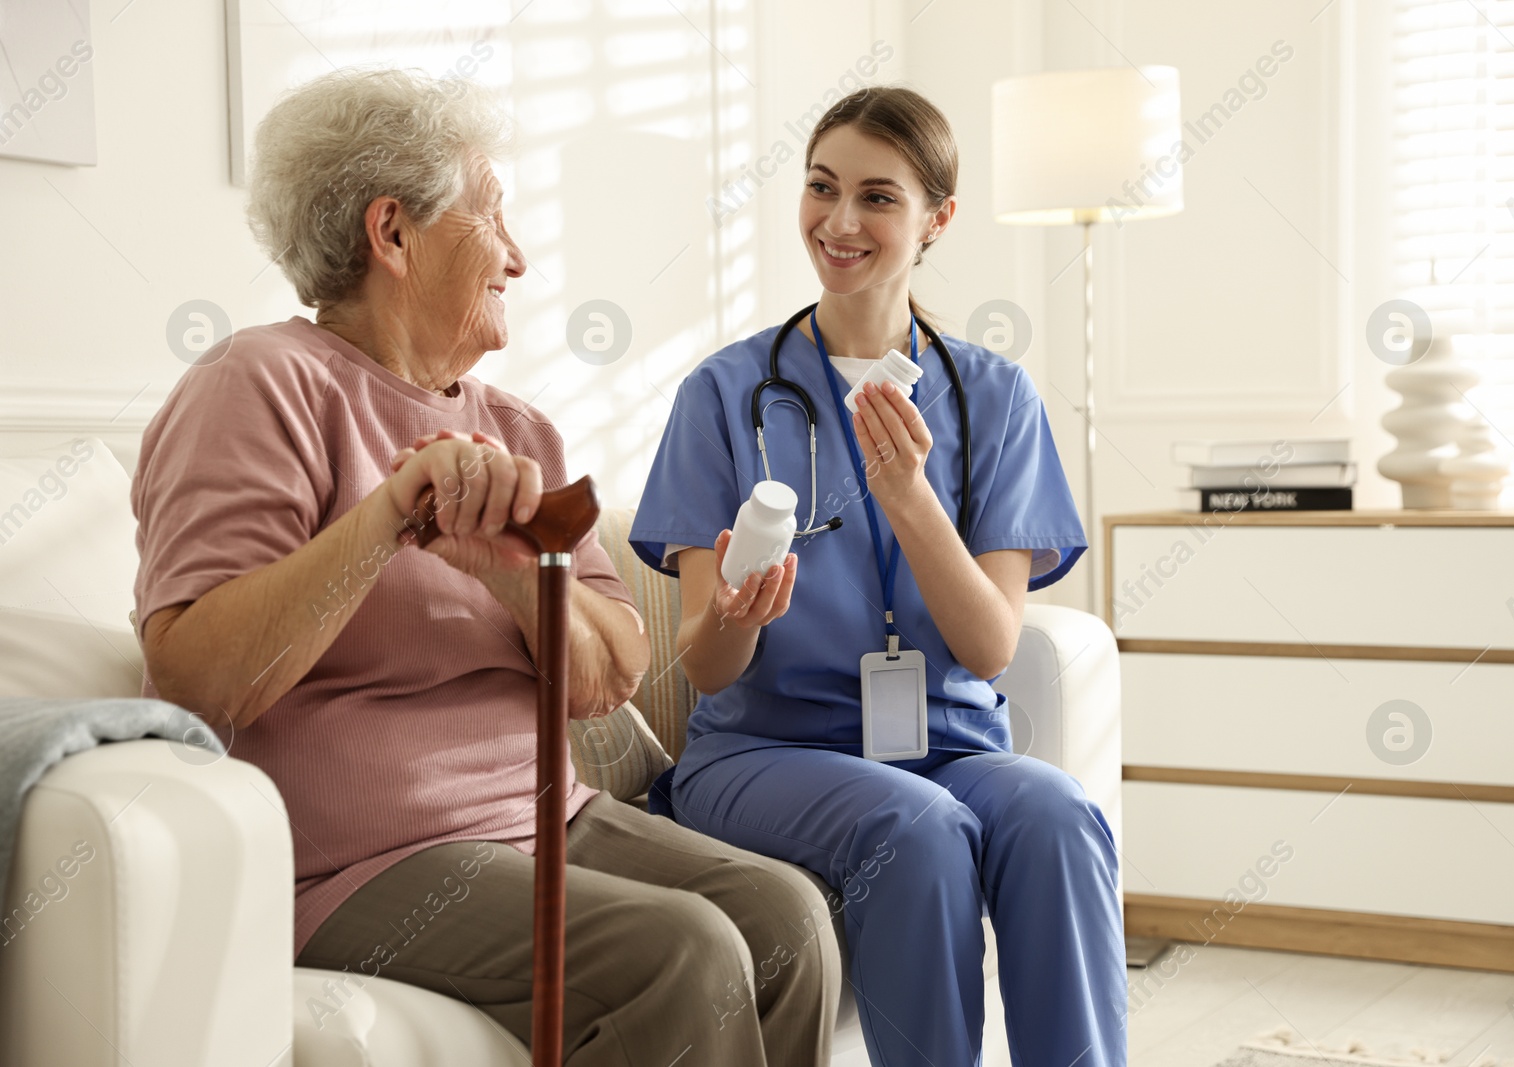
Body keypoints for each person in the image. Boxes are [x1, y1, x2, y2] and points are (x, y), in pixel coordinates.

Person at [131, 68, 838, 1066]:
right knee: (679, 953)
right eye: (493, 213)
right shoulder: (257, 384)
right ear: (393, 231)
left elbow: (607, 679)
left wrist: (509, 569)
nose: (520, 255)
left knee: (785, 919)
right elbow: (202, 681)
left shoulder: (516, 430)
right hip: (351, 861)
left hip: (546, 814)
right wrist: (384, 518)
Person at [630, 86, 1126, 1066]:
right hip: (763, 754)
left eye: (877, 197)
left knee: (1058, 812)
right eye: (820, 188)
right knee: (919, 825)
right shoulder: (725, 394)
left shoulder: (994, 398)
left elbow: (988, 648)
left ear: (938, 217)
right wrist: (735, 610)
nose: (840, 221)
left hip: (949, 742)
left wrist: (909, 497)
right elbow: (709, 668)